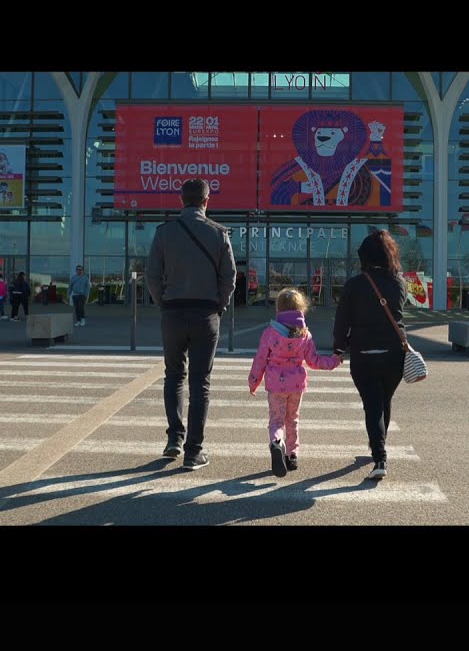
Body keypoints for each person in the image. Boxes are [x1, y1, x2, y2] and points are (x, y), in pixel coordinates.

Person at [146, 177, 237, 471]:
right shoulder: (219, 234)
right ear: (207, 201)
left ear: (180, 200)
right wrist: (218, 305)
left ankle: (174, 438)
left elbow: (151, 275)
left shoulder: (164, 233)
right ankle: (193, 452)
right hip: (205, 315)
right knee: (201, 382)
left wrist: (163, 303)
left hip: (172, 313)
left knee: (173, 375)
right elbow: (230, 277)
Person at [332, 230, 408, 481]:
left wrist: (338, 347)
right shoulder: (400, 282)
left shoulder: (355, 284)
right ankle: (378, 447)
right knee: (384, 401)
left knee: (373, 405)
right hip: (394, 354)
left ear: (364, 256)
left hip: (364, 354)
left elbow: (342, 319)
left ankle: (379, 456)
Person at [248, 288, 342, 477]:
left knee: (276, 421)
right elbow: (314, 361)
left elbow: (260, 360)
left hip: (275, 386)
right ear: (301, 309)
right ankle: (292, 456)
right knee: (292, 419)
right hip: (296, 386)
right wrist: (334, 360)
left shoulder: (270, 333)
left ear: (279, 309)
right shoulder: (304, 335)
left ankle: (276, 443)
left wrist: (253, 382)